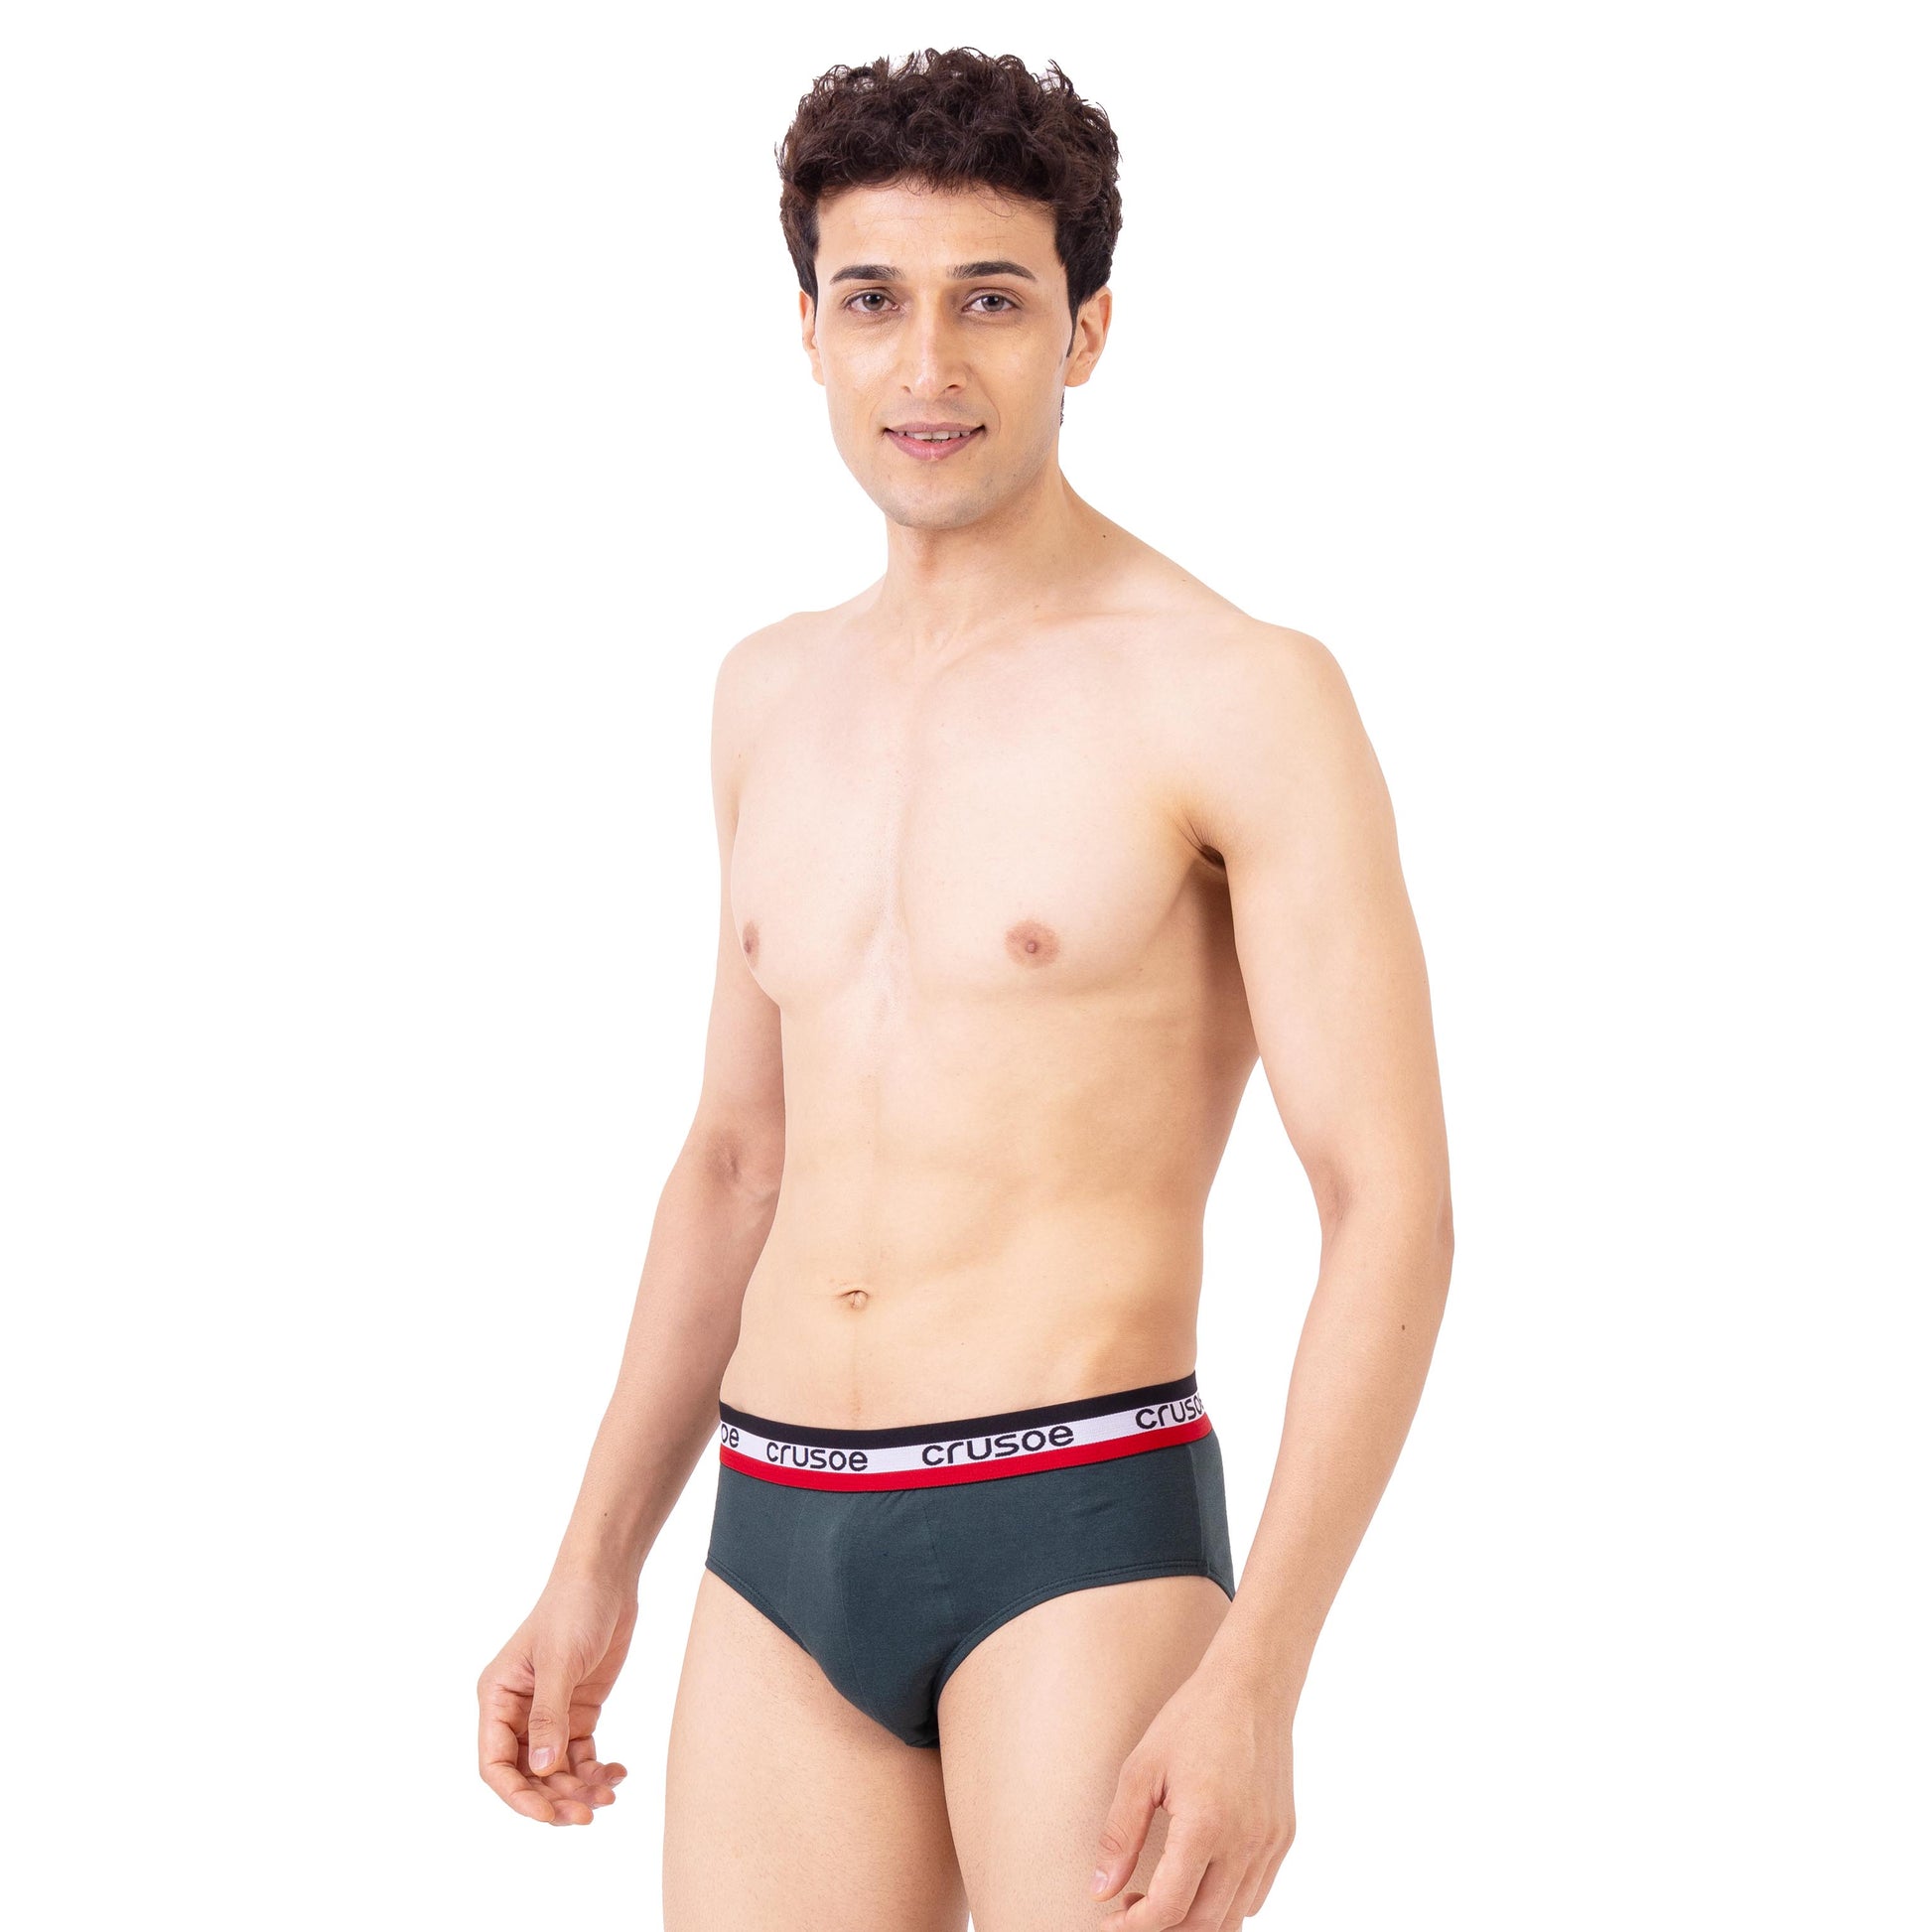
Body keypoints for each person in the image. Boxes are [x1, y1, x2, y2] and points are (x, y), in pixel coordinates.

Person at [476, 46, 1452, 1930]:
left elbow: (1388, 1202)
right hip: (772, 1536)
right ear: (809, 330)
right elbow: (734, 1164)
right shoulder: (766, 692)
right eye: (874, 300)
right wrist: (592, 1558)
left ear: (1085, 330)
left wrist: (1261, 1670)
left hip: (1075, 1530)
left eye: (989, 300)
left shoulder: (1238, 691)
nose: (926, 364)